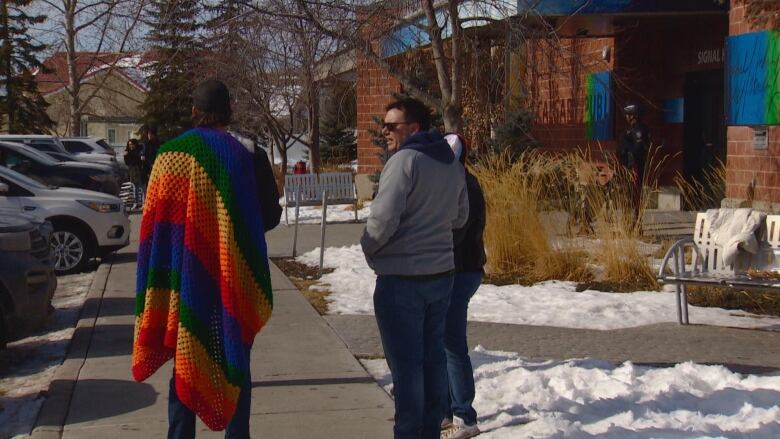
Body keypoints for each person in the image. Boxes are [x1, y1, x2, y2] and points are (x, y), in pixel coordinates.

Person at [132, 79, 274, 438]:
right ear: (229, 112)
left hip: (182, 279)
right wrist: (232, 237)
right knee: (235, 360)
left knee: (185, 360)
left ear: (194, 112)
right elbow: (269, 215)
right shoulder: (248, 153)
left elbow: (154, 225)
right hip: (234, 276)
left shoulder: (168, 156)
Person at [361, 98, 469, 439]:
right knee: (433, 359)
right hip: (441, 276)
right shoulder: (451, 162)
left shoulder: (404, 160)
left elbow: (382, 221)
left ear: (414, 128)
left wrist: (368, 248)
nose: (386, 132)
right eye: (385, 125)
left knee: (406, 368)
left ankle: (408, 432)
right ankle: (430, 431)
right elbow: (460, 217)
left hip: (402, 280)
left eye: (393, 126)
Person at [440, 134, 486, 439]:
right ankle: (445, 410)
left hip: (462, 271)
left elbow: (457, 232)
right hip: (454, 269)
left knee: (452, 343)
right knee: (442, 342)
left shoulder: (464, 186)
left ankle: (464, 415)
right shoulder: (456, 183)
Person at [617, 103, 650, 222]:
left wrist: (631, 161)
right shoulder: (629, 129)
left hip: (634, 167)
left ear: (633, 116)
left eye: (628, 115)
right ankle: (628, 222)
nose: (626, 117)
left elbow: (638, 150)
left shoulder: (639, 130)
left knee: (635, 195)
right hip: (626, 167)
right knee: (627, 195)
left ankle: (636, 223)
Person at [124, 138, 144, 209]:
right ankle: (135, 203)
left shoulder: (139, 151)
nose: (131, 146)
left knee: (142, 187)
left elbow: (138, 161)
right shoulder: (127, 152)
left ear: (135, 144)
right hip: (132, 171)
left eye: (132, 144)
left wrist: (132, 158)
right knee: (135, 187)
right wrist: (127, 156)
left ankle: (143, 203)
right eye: (129, 144)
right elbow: (127, 162)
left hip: (139, 171)